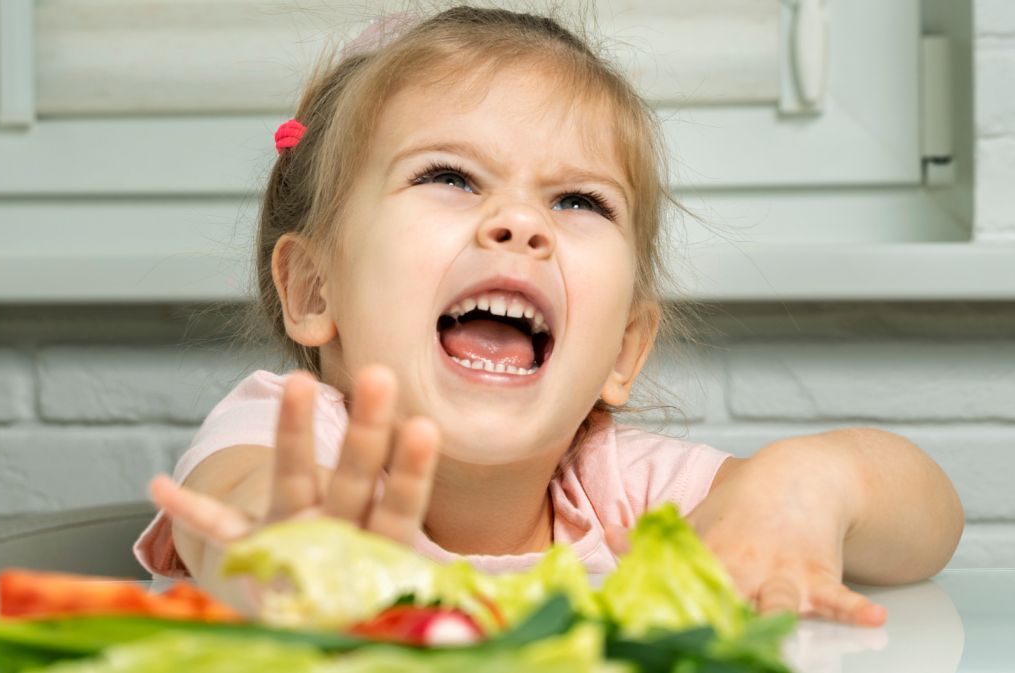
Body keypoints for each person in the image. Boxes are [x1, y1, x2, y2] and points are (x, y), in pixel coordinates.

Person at [135, 6, 962, 627]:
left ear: (623, 352)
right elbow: (236, 506)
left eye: (575, 199)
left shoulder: (612, 488)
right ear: (315, 290)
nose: (520, 223)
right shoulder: (292, 430)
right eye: (451, 177)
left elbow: (928, 525)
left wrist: (808, 482)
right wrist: (278, 545)